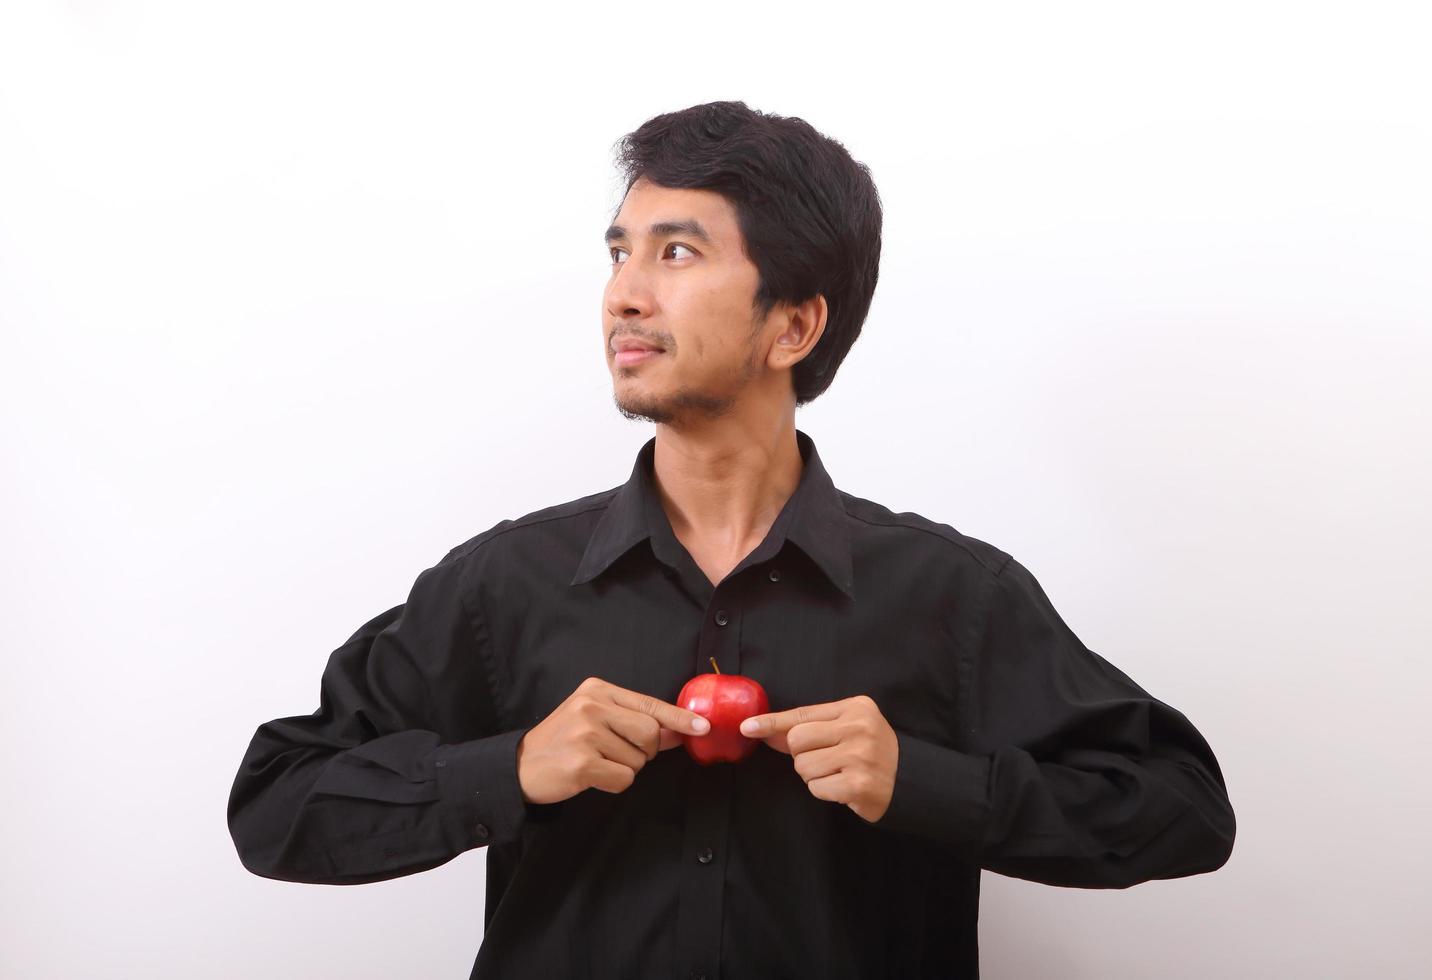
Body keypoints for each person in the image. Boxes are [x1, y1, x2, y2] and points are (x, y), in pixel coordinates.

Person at [227, 100, 1236, 980]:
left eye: (676, 252)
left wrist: (922, 780)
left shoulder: (949, 594)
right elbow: (276, 802)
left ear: (791, 327)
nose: (623, 292)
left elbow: (1181, 806)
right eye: (619, 251)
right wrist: (512, 766)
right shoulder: (505, 584)